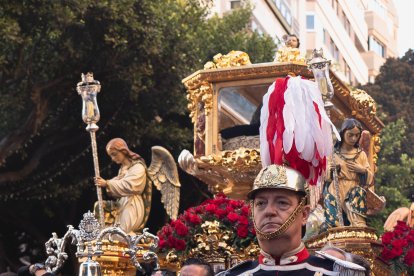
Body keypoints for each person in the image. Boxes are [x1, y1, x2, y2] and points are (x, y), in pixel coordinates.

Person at [218, 164, 366, 275]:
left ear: (304, 214)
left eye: (282, 203)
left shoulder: (334, 273)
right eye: (261, 204)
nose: (269, 211)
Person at [324, 119, 373, 227]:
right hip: (336, 189)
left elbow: (370, 178)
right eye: (350, 135)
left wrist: (362, 170)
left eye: (356, 135)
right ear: (343, 133)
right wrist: (332, 170)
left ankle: (357, 224)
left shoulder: (361, 155)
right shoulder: (333, 153)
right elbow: (325, 175)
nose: (353, 139)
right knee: (334, 225)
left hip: (354, 190)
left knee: (358, 192)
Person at [94, 138, 149, 234]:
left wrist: (107, 183)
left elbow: (130, 186)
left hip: (132, 204)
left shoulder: (138, 167)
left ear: (123, 151)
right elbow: (117, 185)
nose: (113, 159)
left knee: (122, 234)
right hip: (121, 204)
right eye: (111, 156)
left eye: (114, 154)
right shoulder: (122, 170)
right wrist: (106, 184)